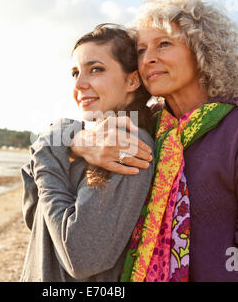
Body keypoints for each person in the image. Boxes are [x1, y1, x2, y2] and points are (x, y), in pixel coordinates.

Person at [69, 0, 238, 282]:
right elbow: (53, 139)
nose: (148, 59)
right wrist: (80, 144)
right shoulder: (143, 125)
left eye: (164, 44)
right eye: (141, 50)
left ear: (203, 50)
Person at [20, 24, 155, 281]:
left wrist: (55, 142)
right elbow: (34, 218)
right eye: (75, 73)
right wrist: (71, 140)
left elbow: (79, 257)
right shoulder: (86, 142)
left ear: (132, 80)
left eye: (96, 69)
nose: (80, 84)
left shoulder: (127, 143)